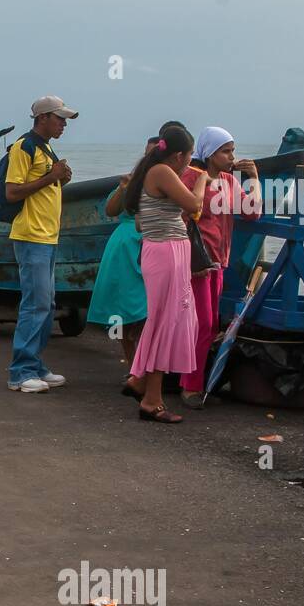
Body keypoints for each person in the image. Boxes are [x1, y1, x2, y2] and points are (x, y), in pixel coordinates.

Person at [123, 126, 207, 423]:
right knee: (164, 323)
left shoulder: (153, 172)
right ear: (179, 155)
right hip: (167, 252)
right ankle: (151, 400)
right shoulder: (162, 171)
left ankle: (139, 380)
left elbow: (140, 223)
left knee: (169, 320)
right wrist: (203, 181)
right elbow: (195, 205)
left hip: (167, 250)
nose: (189, 163)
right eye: (188, 157)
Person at [178, 127, 262, 408]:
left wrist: (254, 179)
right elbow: (181, 217)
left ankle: (189, 380)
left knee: (209, 323)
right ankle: (190, 385)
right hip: (197, 263)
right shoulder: (191, 177)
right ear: (209, 152)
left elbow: (252, 212)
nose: (231, 157)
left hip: (218, 261)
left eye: (232, 151)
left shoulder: (227, 180)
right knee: (201, 324)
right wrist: (187, 259)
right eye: (225, 151)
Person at [5, 95, 77, 393]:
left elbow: (44, 185)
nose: (63, 124)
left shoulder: (45, 148)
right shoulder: (25, 146)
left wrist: (60, 179)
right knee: (35, 304)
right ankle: (20, 373)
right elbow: (12, 192)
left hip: (47, 237)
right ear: (43, 117)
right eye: (59, 118)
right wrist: (51, 177)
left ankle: (34, 365)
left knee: (45, 304)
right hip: (31, 236)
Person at [88, 134, 159, 373]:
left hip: (157, 246)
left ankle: (148, 367)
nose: (151, 158)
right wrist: (122, 189)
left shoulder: (171, 180)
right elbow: (110, 210)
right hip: (126, 248)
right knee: (125, 310)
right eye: (148, 153)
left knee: (150, 311)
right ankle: (133, 366)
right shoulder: (133, 180)